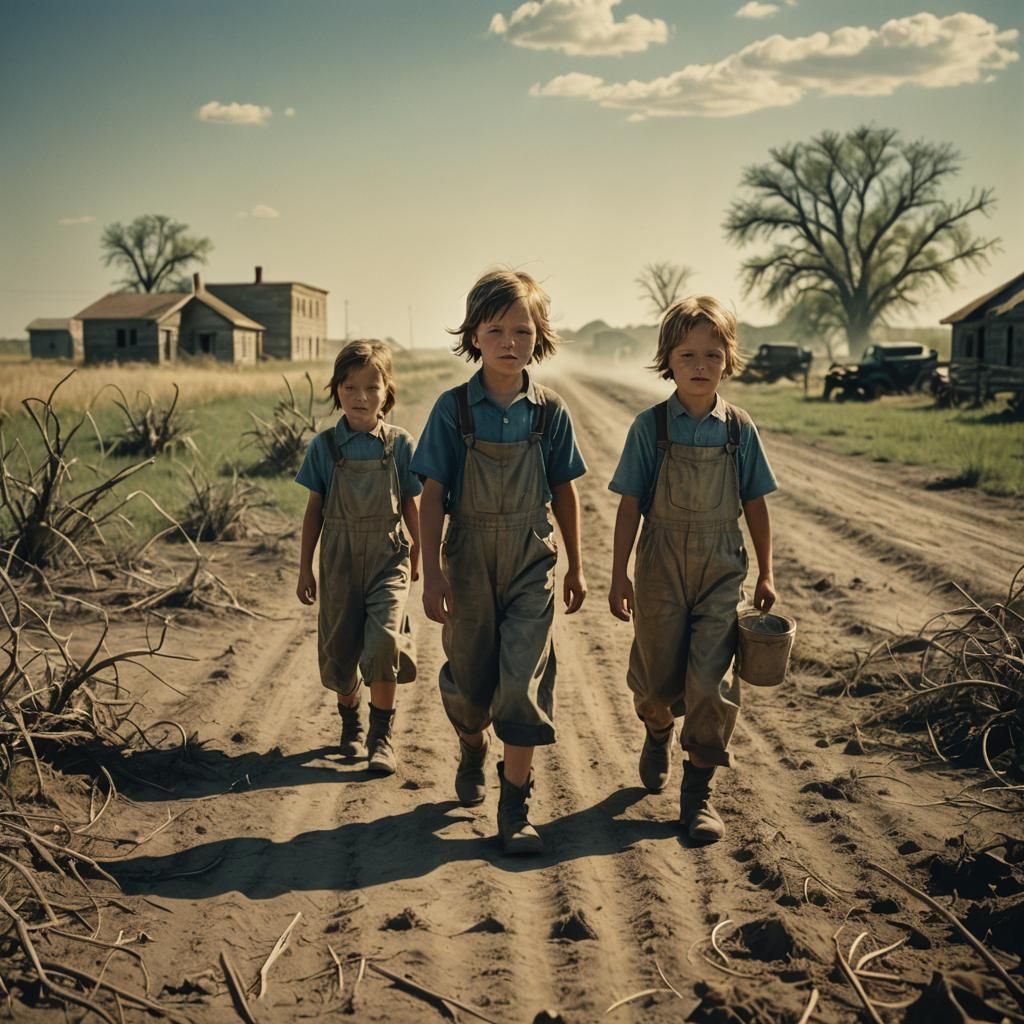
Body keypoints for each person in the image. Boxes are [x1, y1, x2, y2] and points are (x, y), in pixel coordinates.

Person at [413, 269, 587, 855]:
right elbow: (432, 493)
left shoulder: (550, 412)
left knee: (523, 678)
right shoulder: (453, 409)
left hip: (531, 557)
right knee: (469, 682)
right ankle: (470, 744)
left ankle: (516, 807)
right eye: (496, 330)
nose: (510, 341)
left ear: (540, 335)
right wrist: (431, 569)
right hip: (466, 559)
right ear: (475, 336)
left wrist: (579, 566)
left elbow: (565, 491)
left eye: (522, 329)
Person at [608, 296, 778, 844]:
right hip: (659, 565)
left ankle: (697, 793)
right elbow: (629, 503)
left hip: (720, 568)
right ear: (669, 360)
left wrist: (766, 573)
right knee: (658, 684)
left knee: (711, 681)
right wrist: (618, 574)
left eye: (712, 353)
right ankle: (657, 732)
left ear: (728, 358)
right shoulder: (650, 427)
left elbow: (755, 503)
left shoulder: (739, 429)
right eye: (688, 355)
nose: (701, 365)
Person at [296, 339, 421, 774]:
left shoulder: (400, 445)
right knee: (340, 649)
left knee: (385, 640)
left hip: (388, 554)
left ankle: (381, 736)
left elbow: (410, 503)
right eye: (350, 387)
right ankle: (350, 718)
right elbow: (315, 511)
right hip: (339, 556)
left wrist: (421, 556)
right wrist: (305, 568)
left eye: (372, 387)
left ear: (388, 391)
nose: (361, 397)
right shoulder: (325, 447)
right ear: (337, 390)